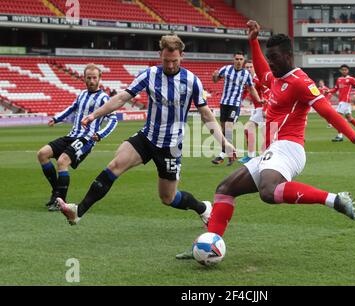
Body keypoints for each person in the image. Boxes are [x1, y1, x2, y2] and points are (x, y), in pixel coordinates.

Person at [176, 20, 355, 259]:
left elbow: (328, 111)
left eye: (275, 57)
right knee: (224, 189)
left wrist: (354, 137)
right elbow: (262, 70)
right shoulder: (276, 78)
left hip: (289, 148)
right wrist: (253, 40)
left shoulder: (301, 82)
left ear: (289, 56)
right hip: (273, 149)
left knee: (268, 192)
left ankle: (335, 199)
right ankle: (208, 242)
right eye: (269, 57)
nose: (271, 62)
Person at [56, 34, 235, 226]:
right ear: (160, 55)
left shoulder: (192, 81)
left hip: (171, 146)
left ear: (182, 56)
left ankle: (203, 208)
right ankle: (78, 211)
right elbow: (121, 98)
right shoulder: (149, 74)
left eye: (175, 61)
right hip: (147, 138)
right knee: (115, 165)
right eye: (166, 60)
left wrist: (224, 143)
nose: (171, 65)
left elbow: (206, 115)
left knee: (168, 198)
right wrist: (94, 115)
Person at [37, 64, 118, 211]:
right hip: (72, 135)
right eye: (89, 78)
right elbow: (72, 108)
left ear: (100, 79)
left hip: (85, 139)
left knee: (62, 161)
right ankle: (56, 192)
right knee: (42, 154)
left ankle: (61, 202)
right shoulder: (81, 94)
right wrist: (56, 118)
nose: (91, 81)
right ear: (84, 79)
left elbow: (113, 120)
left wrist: (100, 134)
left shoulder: (104, 98)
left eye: (94, 78)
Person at [211, 51, 263, 166]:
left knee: (229, 127)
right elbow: (215, 80)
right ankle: (226, 152)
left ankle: (225, 154)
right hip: (224, 103)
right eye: (237, 59)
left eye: (241, 59)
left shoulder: (246, 74)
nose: (239, 61)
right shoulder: (226, 69)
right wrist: (214, 76)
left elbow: (251, 88)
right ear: (233, 59)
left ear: (243, 60)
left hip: (235, 104)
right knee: (224, 130)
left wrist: (259, 100)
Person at [325, 64, 355, 142]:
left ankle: (340, 136)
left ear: (348, 71)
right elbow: (335, 89)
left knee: (337, 118)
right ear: (340, 71)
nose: (344, 71)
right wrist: (328, 91)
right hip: (343, 101)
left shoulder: (351, 79)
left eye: (345, 69)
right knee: (349, 118)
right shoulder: (339, 79)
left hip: (345, 101)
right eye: (342, 70)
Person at [239, 60, 270, 164]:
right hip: (257, 109)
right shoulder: (248, 79)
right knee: (264, 134)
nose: (248, 69)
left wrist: (265, 109)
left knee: (249, 129)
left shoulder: (258, 79)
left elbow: (267, 93)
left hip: (262, 109)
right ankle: (259, 156)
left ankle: (254, 156)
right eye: (246, 67)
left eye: (250, 67)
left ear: (254, 68)